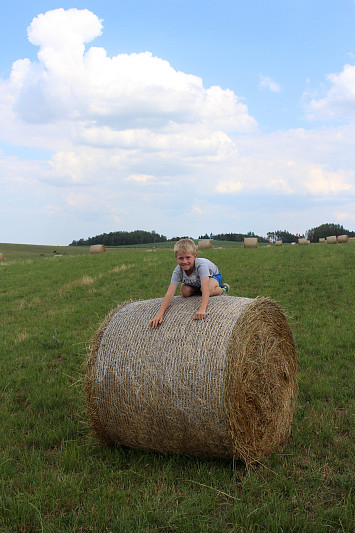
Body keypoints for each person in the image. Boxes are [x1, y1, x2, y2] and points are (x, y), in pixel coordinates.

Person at [150, 238, 230, 328]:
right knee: (184, 292)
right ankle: (200, 290)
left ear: (194, 257)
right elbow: (170, 293)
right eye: (181, 258)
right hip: (196, 282)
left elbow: (205, 288)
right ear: (176, 258)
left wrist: (202, 309)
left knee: (209, 290)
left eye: (188, 257)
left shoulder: (201, 266)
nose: (184, 262)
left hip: (213, 277)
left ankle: (222, 289)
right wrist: (160, 314)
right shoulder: (177, 271)